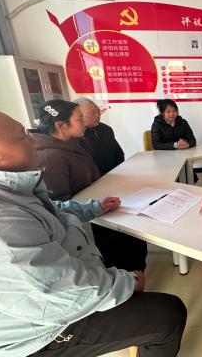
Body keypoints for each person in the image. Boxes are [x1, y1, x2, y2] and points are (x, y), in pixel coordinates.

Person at [0, 100, 186, 357]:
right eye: (22, 136)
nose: (33, 141)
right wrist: (129, 283)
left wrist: (93, 207)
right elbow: (63, 295)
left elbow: (47, 209)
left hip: (48, 294)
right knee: (167, 315)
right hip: (38, 331)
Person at [31, 100, 148, 274]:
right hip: (86, 220)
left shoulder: (76, 142)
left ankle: (134, 273)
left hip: (97, 204)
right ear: (62, 125)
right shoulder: (50, 157)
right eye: (79, 119)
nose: (84, 123)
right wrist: (94, 206)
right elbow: (58, 209)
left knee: (135, 231)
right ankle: (127, 278)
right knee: (125, 242)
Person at [75, 98, 125, 176]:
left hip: (114, 175)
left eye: (98, 111)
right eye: (93, 113)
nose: (98, 115)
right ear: (79, 115)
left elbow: (119, 154)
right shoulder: (75, 136)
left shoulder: (105, 129)